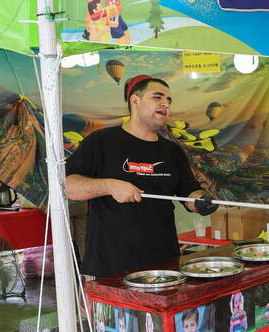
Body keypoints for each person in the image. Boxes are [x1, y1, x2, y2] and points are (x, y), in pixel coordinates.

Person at [66, 75, 218, 279]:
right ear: (135, 101)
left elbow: (188, 193)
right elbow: (67, 186)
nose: (165, 104)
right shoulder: (102, 141)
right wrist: (110, 186)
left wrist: (202, 200)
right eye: (157, 97)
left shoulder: (172, 151)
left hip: (163, 260)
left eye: (168, 100)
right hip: (110, 263)